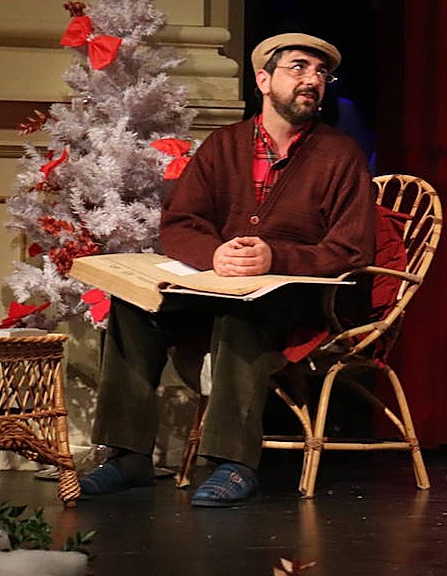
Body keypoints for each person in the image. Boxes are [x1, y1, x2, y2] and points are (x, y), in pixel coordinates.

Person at [78, 32, 375, 507]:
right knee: (134, 307)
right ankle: (128, 454)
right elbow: (180, 223)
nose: (312, 80)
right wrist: (214, 254)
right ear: (263, 79)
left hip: (298, 298)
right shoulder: (224, 146)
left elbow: (352, 247)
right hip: (217, 285)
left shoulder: (340, 156)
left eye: (320, 73)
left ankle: (233, 462)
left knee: (242, 314)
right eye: (298, 68)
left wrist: (275, 257)